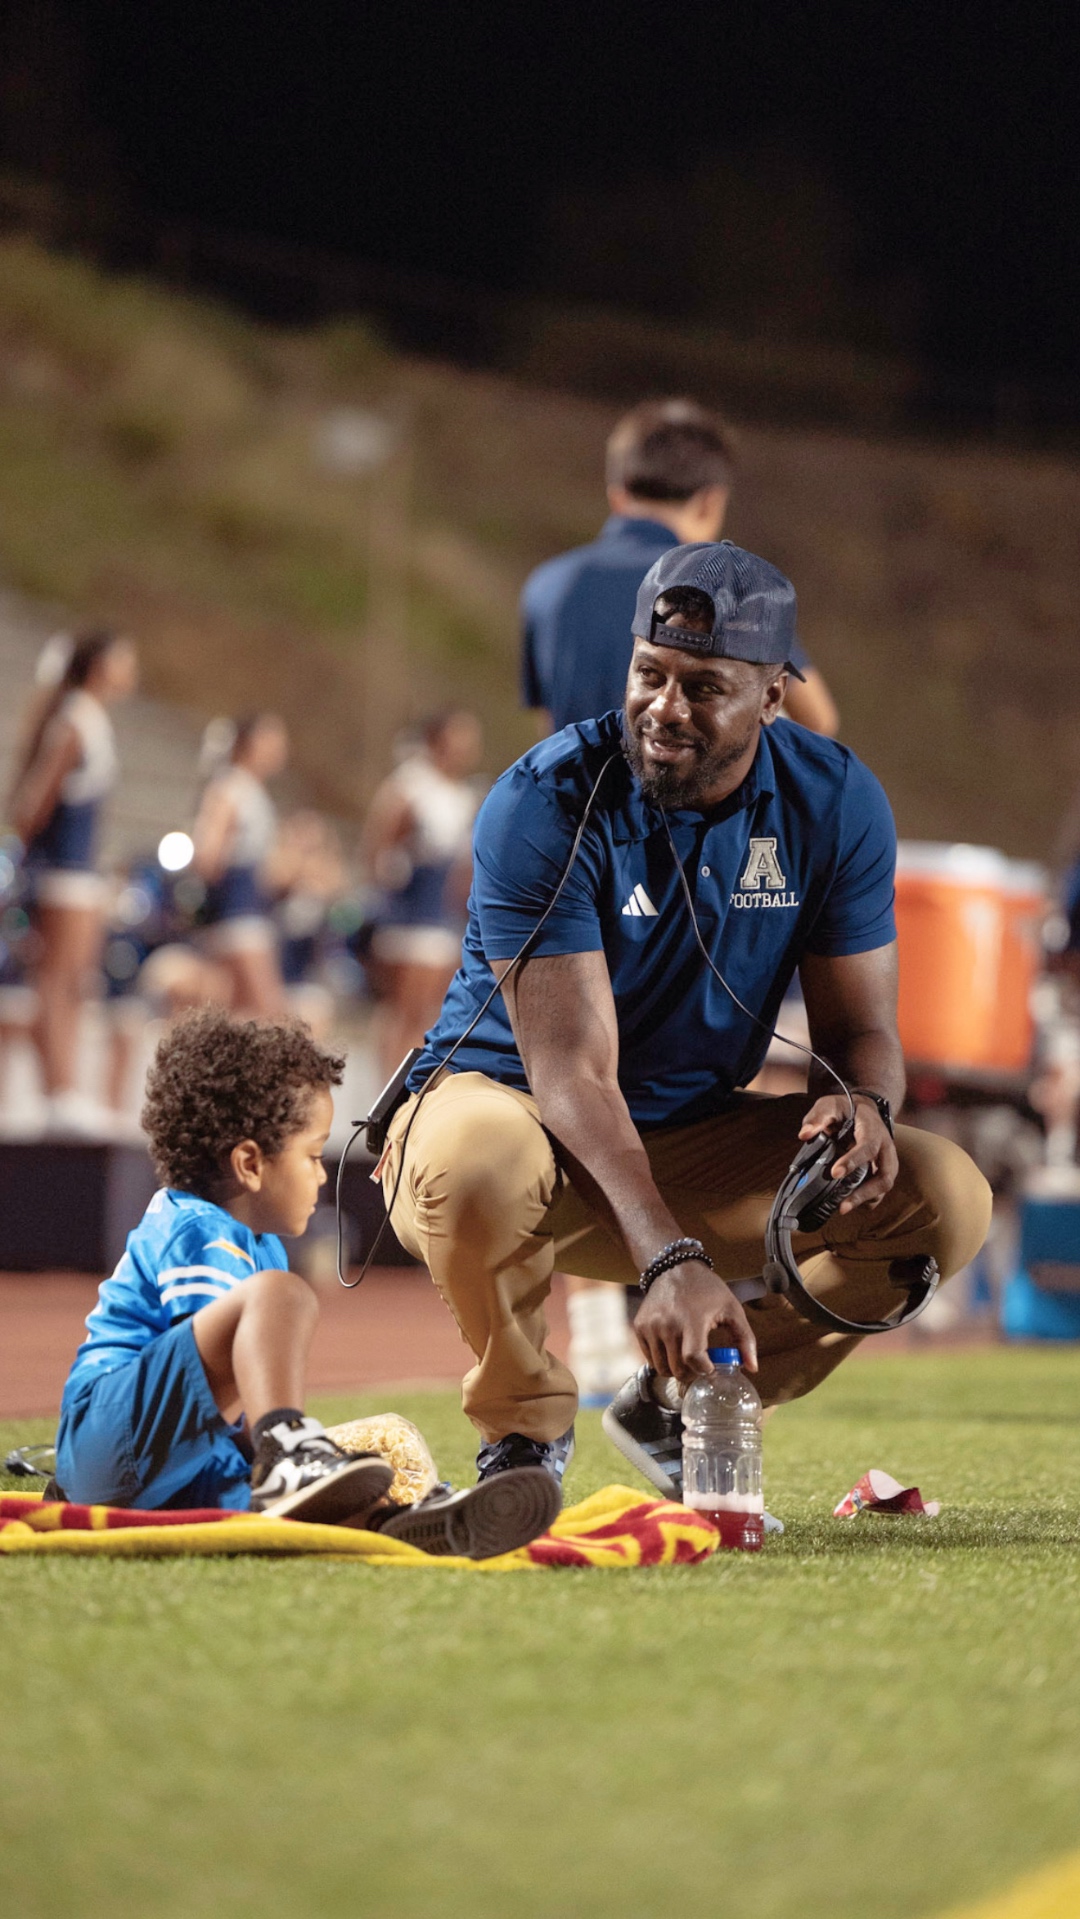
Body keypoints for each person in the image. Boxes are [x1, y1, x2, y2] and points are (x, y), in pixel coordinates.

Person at [381, 542, 991, 1490]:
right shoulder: (546, 801)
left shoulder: (834, 802)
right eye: (649, 673)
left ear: (773, 697)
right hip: (511, 1119)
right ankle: (523, 1436)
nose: (664, 707)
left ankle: (686, 1400)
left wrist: (864, 1103)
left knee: (943, 1196)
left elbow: (861, 1033)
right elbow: (571, 1072)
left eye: (703, 687)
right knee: (481, 1158)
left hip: (682, 1136)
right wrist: (671, 1258)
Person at [521, 401, 840, 1396]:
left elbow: (547, 742)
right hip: (693, 879)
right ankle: (689, 1340)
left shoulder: (550, 585)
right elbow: (820, 729)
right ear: (709, 500)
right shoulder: (719, 591)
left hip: (570, 869)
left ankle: (575, 1348)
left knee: (564, 1085)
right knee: (675, 1094)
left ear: (615, 483)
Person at [54, 1007, 558, 1555]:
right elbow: (209, 1365)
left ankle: (400, 1519)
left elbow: (215, 1401)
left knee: (383, 1446)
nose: (321, 1174)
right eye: (313, 1155)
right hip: (110, 1436)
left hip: (172, 1465)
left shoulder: (259, 1246)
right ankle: (287, 1452)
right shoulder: (193, 1227)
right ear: (250, 1164)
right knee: (282, 1296)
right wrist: (282, 1441)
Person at [521, 397, 839, 741]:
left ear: (617, 495)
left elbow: (549, 729)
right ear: (710, 503)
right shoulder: (727, 587)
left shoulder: (547, 585)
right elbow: (817, 721)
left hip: (581, 777)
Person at [7, 629, 138, 1136]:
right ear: (98, 664)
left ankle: (66, 1089)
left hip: (81, 874)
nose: (131, 670)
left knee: (76, 984)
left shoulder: (93, 718)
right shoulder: (74, 719)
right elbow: (31, 805)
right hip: (60, 874)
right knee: (55, 982)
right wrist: (36, 864)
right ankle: (55, 1093)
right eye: (123, 660)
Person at [363, 708, 484, 1081]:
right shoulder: (410, 787)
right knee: (405, 1011)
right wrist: (397, 874)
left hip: (443, 918)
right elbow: (377, 851)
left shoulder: (463, 795)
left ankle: (410, 1088)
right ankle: (387, 1089)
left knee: (431, 1013)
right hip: (410, 917)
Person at [192, 713, 289, 1018]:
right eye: (271, 739)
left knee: (236, 1014)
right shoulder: (231, 787)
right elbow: (207, 856)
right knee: (269, 1014)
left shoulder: (251, 789)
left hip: (250, 911)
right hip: (238, 915)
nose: (280, 749)